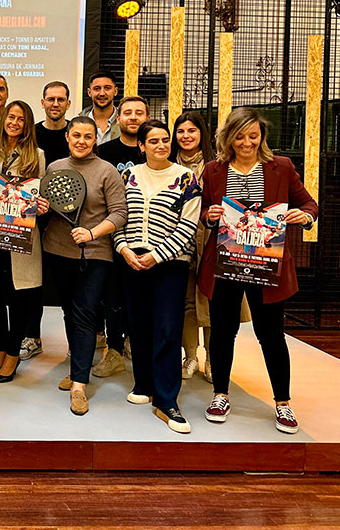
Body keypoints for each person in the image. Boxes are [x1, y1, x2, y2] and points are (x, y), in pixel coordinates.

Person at [199, 108, 317, 434]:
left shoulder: (281, 167)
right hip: (227, 262)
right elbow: (205, 215)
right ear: (228, 137)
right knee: (223, 332)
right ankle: (220, 394)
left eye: (254, 136)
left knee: (271, 335)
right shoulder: (213, 169)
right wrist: (210, 215)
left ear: (262, 136)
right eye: (240, 137)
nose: (247, 143)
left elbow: (309, 205)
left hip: (267, 263)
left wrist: (303, 217)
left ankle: (283, 402)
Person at [113, 119, 202, 433]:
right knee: (138, 325)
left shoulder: (186, 178)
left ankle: (167, 400)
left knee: (167, 329)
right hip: (131, 259)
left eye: (166, 140)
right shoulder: (128, 176)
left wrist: (157, 255)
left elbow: (188, 226)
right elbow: (118, 217)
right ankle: (143, 384)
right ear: (141, 146)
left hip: (171, 263)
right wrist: (123, 248)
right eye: (153, 141)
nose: (162, 145)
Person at [42, 116, 127, 415]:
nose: (81, 141)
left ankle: (79, 384)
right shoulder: (55, 167)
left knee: (85, 315)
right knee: (69, 311)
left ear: (95, 140)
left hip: (94, 254)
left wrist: (92, 233)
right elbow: (52, 206)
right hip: (57, 251)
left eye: (88, 136)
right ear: (67, 137)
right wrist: (41, 207)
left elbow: (119, 214)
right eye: (76, 135)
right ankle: (78, 365)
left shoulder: (107, 171)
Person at [0, 101, 50, 383]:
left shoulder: (37, 155)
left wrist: (41, 204)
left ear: (27, 123)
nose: (14, 122)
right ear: (3, 119)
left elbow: (40, 193)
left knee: (18, 296)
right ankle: (4, 346)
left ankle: (14, 353)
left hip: (21, 236)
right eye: (11, 117)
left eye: (21, 118)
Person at [93, 95, 150, 379]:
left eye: (139, 113)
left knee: (140, 296)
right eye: (128, 112)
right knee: (111, 296)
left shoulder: (155, 150)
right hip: (112, 236)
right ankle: (113, 350)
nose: (133, 117)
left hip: (148, 238)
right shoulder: (104, 151)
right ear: (118, 118)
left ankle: (136, 345)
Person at [23, 80, 73, 361]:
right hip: (33, 220)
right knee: (33, 282)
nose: (55, 104)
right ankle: (32, 336)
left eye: (60, 99)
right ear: (42, 103)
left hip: (67, 221)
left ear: (68, 103)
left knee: (67, 286)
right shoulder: (31, 135)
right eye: (50, 99)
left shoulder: (75, 134)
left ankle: (75, 345)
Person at [171, 111, 218, 381]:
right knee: (186, 301)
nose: (186, 136)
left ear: (202, 134)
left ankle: (212, 358)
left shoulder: (215, 165)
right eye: (181, 131)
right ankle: (190, 356)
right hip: (178, 240)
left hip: (210, 239)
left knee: (210, 299)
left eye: (192, 131)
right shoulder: (167, 163)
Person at [80, 71, 120, 144]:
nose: (102, 93)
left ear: (115, 91)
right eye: (97, 88)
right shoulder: (79, 123)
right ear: (89, 92)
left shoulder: (124, 123)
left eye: (107, 88)